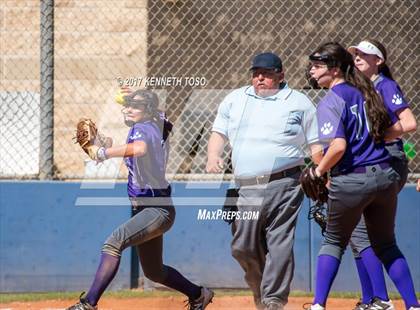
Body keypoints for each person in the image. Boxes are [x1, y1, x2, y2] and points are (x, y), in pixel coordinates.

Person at [67, 90, 214, 310]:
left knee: (113, 243)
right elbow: (160, 117)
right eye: (127, 106)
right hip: (153, 209)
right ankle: (198, 294)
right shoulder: (156, 124)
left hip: (155, 210)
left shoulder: (142, 128)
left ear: (148, 111)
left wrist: (102, 153)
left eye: (135, 107)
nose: (128, 109)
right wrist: (134, 98)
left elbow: (140, 148)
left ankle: (89, 303)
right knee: (154, 271)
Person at [304, 42, 420, 310]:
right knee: (386, 245)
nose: (312, 70)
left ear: (334, 70)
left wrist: (320, 171)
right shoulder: (367, 92)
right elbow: (394, 127)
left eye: (317, 66)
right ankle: (412, 305)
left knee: (333, 242)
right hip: (385, 176)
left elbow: (339, 146)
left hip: (353, 179)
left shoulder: (331, 101)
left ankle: (318, 305)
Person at [206, 52, 320, 310]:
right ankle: (260, 291)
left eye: (267, 73)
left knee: (279, 242)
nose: (260, 77)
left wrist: (321, 171)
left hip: (287, 183)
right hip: (244, 186)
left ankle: (273, 301)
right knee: (242, 248)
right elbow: (218, 133)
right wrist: (213, 156)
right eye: (256, 72)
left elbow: (315, 144)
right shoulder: (235, 99)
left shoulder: (299, 102)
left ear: (281, 75)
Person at [345, 39, 417, 310]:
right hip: (367, 164)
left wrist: (379, 137)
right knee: (358, 235)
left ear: (379, 60)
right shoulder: (356, 90)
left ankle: (383, 300)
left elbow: (409, 122)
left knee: (367, 235)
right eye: (356, 55)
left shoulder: (385, 85)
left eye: (365, 54)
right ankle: (370, 300)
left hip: (388, 161)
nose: (358, 58)